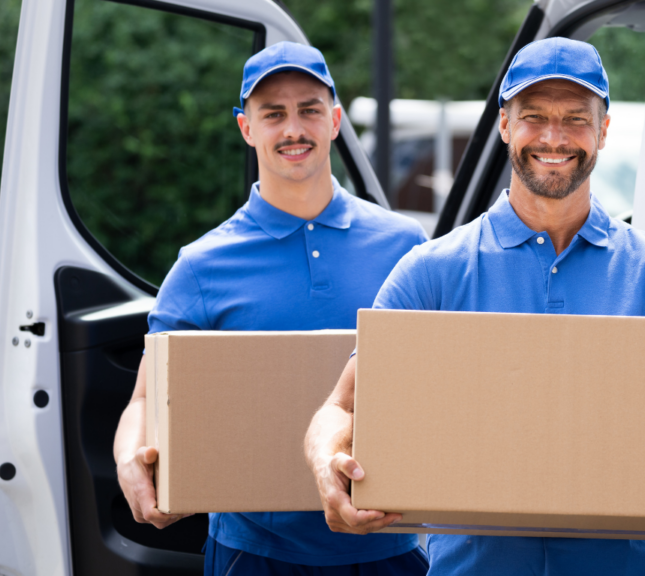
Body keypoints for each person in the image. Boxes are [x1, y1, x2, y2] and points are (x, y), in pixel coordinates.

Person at [305, 37, 645, 575]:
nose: (554, 138)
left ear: (604, 130)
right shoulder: (432, 273)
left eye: (576, 119)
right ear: (505, 125)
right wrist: (329, 464)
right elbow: (343, 408)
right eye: (534, 116)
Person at [113, 42, 430, 576]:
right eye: (273, 114)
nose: (293, 129)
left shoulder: (405, 245)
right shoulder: (202, 266)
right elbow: (146, 397)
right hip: (254, 554)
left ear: (333, 121)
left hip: (389, 548)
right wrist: (129, 458)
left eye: (308, 110)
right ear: (246, 128)